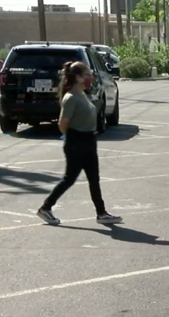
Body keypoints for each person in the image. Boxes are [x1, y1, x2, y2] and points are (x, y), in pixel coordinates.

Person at [36, 61, 121, 226]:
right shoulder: (71, 98)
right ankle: (46, 208)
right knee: (69, 179)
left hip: (89, 140)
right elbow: (63, 122)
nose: (90, 77)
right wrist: (72, 137)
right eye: (86, 75)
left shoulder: (83, 94)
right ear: (77, 77)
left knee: (94, 179)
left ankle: (101, 213)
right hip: (77, 142)